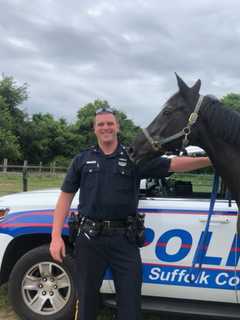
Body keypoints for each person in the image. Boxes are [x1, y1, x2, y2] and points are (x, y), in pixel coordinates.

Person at [49, 107, 211, 320]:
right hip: (89, 240)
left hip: (124, 240)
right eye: (101, 124)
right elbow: (65, 197)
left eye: (110, 123)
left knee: (130, 304)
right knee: (86, 302)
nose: (106, 127)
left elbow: (173, 163)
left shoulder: (134, 157)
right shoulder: (82, 159)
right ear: (94, 129)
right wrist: (55, 237)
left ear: (117, 127)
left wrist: (211, 159)